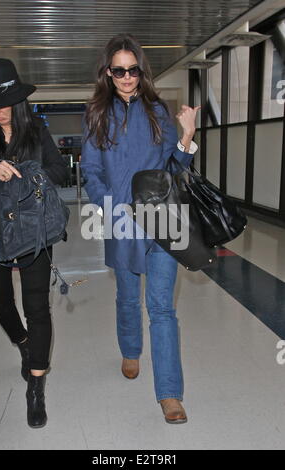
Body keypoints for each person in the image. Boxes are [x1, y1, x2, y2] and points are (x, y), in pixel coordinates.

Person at [81, 34, 200, 424]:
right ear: (108, 72)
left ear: (141, 71)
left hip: (163, 222)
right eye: (119, 70)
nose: (127, 76)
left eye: (133, 69)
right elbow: (92, 172)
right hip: (121, 223)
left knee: (163, 309)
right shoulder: (97, 113)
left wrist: (186, 136)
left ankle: (170, 395)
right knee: (128, 299)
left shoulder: (157, 111)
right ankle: (130, 350)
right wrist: (113, 209)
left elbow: (173, 169)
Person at [0, 58, 67, 428]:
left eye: (3, 104)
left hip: (34, 232)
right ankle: (22, 343)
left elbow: (59, 170)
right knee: (0, 300)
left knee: (38, 308)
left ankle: (36, 386)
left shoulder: (35, 130)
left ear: (17, 101)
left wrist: (27, 176)